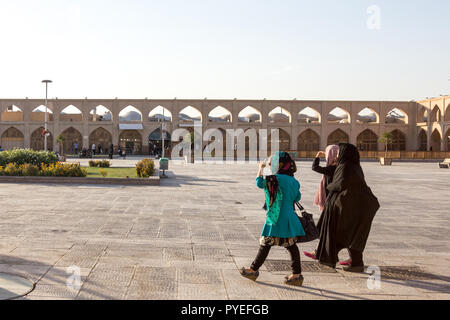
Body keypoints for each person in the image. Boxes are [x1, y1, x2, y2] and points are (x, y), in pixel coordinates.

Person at [240, 151, 305, 286]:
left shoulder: (273, 179)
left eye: (272, 163)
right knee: (291, 245)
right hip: (288, 218)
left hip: (275, 218)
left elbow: (259, 183)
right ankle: (297, 275)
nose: (270, 165)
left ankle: (253, 269)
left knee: (266, 243)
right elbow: (297, 197)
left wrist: (261, 168)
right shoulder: (294, 181)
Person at [315, 143, 380, 272]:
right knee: (354, 235)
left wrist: (329, 187)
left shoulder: (345, 167)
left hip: (351, 207)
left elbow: (339, 184)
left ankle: (332, 257)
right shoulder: (356, 166)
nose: (338, 155)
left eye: (339, 152)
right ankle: (356, 263)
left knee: (339, 233)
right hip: (361, 206)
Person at [303, 145, 340, 261]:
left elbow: (315, 167)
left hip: (331, 204)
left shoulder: (331, 169)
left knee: (325, 228)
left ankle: (318, 252)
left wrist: (317, 156)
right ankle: (319, 252)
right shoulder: (340, 167)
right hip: (336, 203)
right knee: (331, 230)